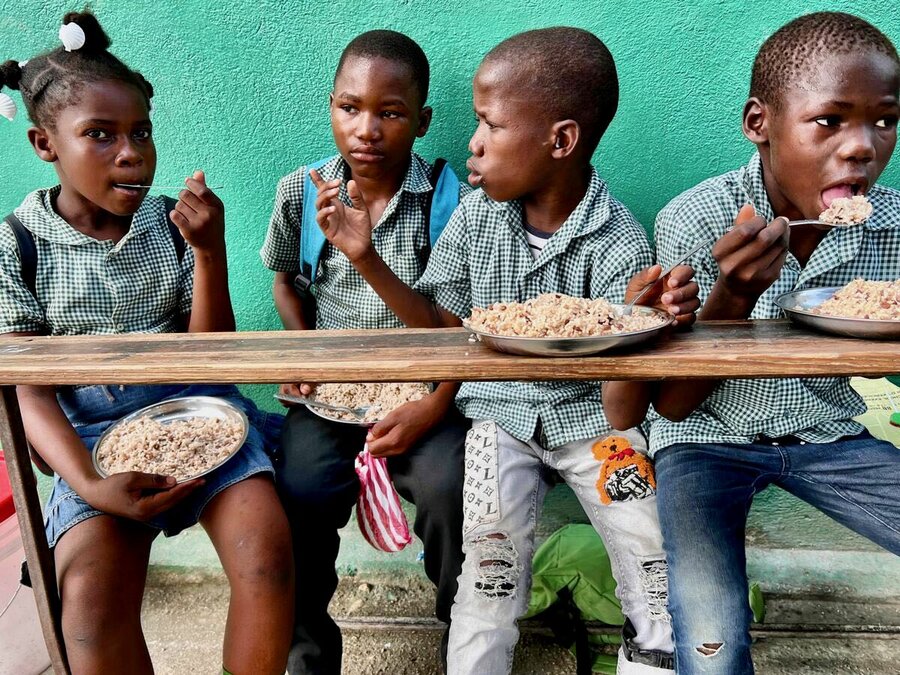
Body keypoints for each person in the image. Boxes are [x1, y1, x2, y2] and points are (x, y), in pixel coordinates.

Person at [311, 27, 700, 675]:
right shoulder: (476, 217)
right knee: (489, 573)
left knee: (653, 558)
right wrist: (365, 257)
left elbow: (622, 404)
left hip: (594, 423)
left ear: (560, 140)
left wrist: (637, 323)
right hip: (501, 416)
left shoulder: (619, 243)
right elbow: (440, 326)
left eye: (491, 124)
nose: (473, 141)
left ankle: (653, 655)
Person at [0, 11, 293, 674]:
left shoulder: (168, 223)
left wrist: (210, 253)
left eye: (141, 132)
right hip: (91, 445)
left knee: (268, 554)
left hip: (201, 418)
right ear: (45, 143)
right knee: (88, 606)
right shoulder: (15, 245)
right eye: (99, 135)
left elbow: (212, 357)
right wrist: (89, 483)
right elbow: (27, 388)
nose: (130, 152)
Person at [649, 12, 900, 674]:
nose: (863, 146)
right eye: (831, 121)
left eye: (885, 120)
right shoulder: (696, 219)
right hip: (703, 441)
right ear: (759, 123)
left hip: (827, 435)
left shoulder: (891, 227)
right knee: (710, 633)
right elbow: (672, 404)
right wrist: (730, 296)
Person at [260, 30, 468, 675]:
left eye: (391, 112)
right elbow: (285, 281)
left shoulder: (447, 199)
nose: (367, 129)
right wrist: (303, 349)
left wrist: (435, 404)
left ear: (422, 121)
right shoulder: (303, 190)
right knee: (296, 495)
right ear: (331, 107)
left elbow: (452, 328)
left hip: (423, 395)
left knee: (450, 489)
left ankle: (464, 633)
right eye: (350, 108)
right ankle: (307, 653)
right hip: (330, 394)